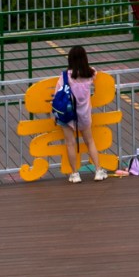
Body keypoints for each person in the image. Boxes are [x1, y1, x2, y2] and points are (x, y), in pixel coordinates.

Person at [58, 45, 107, 181]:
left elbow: (57, 93)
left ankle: (75, 174)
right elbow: (94, 71)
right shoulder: (90, 74)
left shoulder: (65, 76)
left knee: (70, 143)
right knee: (90, 141)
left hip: (68, 115)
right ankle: (98, 170)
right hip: (84, 114)